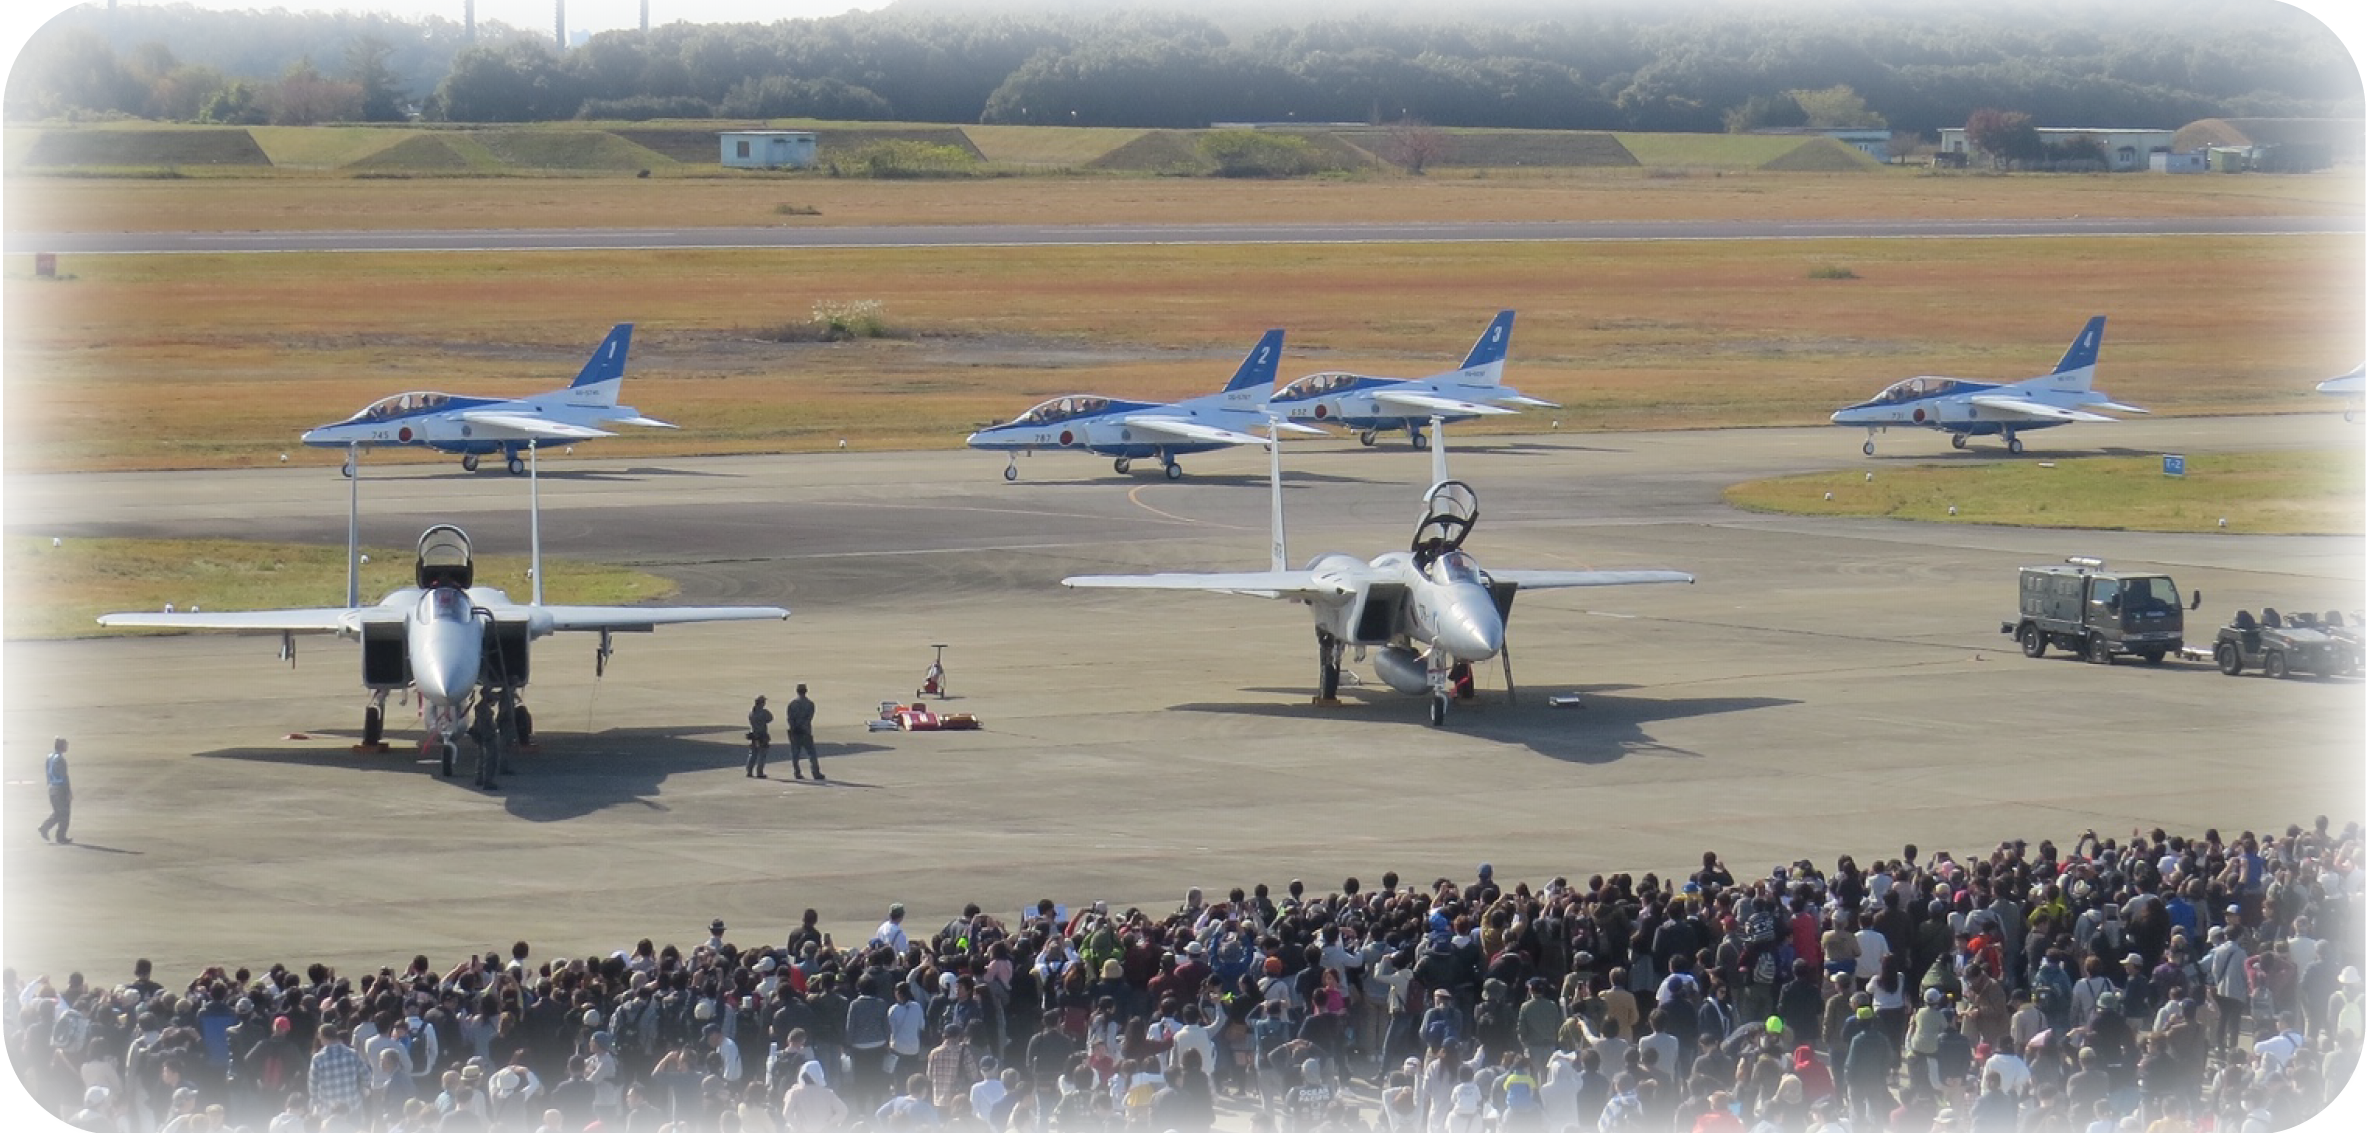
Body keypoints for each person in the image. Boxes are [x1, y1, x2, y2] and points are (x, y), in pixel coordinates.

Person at [38, 736, 71, 844]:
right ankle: (60, 836)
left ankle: (45, 827)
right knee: (65, 813)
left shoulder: (50, 757)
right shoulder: (60, 760)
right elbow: (64, 777)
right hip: (60, 788)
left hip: (52, 787)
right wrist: (68, 792)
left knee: (58, 813)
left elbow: (47, 771)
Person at [787, 684, 821, 780]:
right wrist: (802, 726)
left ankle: (797, 772)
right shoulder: (810, 704)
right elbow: (809, 718)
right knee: (811, 753)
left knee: (795, 754)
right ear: (806, 691)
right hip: (805, 731)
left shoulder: (792, 704)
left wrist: (794, 727)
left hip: (795, 731)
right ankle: (815, 772)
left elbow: (789, 718)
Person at [747, 696, 774, 779]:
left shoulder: (751, 712)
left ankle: (749, 771)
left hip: (754, 735)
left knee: (753, 754)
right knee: (762, 755)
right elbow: (770, 718)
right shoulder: (763, 712)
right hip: (762, 735)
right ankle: (760, 772)